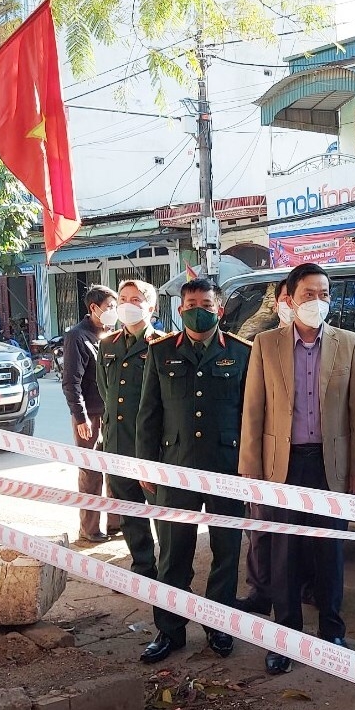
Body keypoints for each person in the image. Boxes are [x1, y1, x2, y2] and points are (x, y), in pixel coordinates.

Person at [239, 263, 355, 676]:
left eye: (324, 293)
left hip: (329, 463)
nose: (317, 301)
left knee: (329, 550)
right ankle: (286, 636)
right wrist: (251, 470)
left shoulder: (349, 343)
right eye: (308, 294)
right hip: (284, 465)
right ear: (290, 299)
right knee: (285, 554)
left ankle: (332, 631)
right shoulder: (266, 344)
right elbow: (254, 411)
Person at [136, 278, 252, 664]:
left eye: (205, 302)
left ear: (218, 309)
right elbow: (148, 415)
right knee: (173, 553)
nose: (196, 308)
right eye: (189, 303)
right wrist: (146, 465)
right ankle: (169, 630)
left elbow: (250, 416)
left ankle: (219, 625)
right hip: (175, 469)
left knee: (226, 552)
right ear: (179, 309)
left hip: (227, 470)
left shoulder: (240, 352)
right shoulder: (161, 351)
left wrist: (251, 470)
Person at [97, 279, 164, 579]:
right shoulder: (107, 344)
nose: (127, 304)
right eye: (123, 298)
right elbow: (104, 390)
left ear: (151, 307)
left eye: (135, 299)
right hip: (117, 443)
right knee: (129, 513)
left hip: (153, 447)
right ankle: (143, 568)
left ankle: (170, 572)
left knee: (162, 513)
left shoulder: (163, 344)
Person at [235, 278, 292, 616]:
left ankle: (301, 588)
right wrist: (249, 461)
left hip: (300, 454)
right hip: (266, 455)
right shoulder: (260, 342)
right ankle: (260, 590)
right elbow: (250, 407)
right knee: (261, 527)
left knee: (299, 534)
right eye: (284, 298)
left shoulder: (330, 342)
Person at [62, 284, 121, 545]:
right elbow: (71, 382)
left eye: (115, 307)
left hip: (114, 415)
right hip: (90, 415)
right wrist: (81, 417)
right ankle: (90, 529)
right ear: (93, 308)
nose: (114, 311)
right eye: (109, 307)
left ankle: (116, 524)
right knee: (91, 473)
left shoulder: (113, 335)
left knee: (116, 472)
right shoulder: (78, 336)